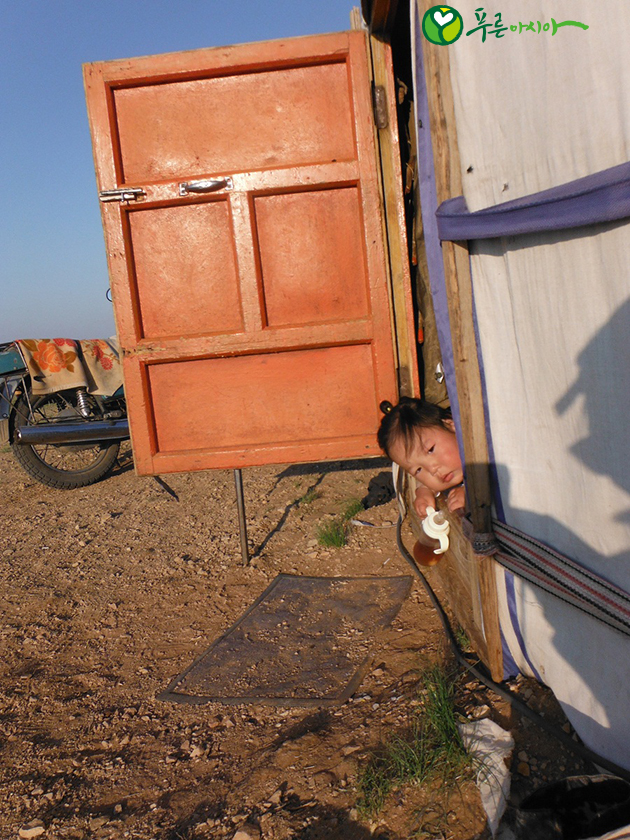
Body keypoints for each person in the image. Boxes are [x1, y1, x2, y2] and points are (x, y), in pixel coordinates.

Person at [377, 398, 466, 518]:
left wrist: (471, 492)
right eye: (418, 470)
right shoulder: (449, 471)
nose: (432, 469)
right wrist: (424, 491)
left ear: (451, 424)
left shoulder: (486, 444)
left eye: (430, 450)